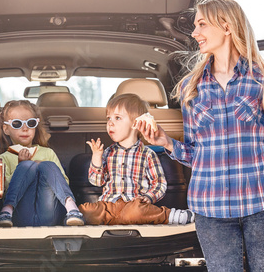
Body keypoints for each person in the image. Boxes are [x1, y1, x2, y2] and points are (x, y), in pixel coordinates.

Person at [138, 0, 264, 272]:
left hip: (262, 204)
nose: (194, 32)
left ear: (226, 25)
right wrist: (165, 142)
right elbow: (196, 154)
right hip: (210, 209)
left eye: (201, 24)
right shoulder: (191, 87)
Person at [79, 93, 194, 225]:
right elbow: (97, 182)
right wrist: (96, 158)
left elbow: (159, 183)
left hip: (133, 204)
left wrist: (148, 197)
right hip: (108, 205)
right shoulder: (107, 153)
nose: (110, 123)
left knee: (137, 212)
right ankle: (76, 215)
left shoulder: (147, 154)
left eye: (117, 118)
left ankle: (172, 215)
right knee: (86, 210)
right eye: (108, 118)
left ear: (136, 124)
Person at [0, 100, 84, 227]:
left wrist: (43, 167)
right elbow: (2, 190)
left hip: (49, 213)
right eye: (17, 124)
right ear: (6, 129)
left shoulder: (48, 152)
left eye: (30, 123)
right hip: (18, 217)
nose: (25, 128)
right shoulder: (4, 158)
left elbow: (64, 182)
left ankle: (72, 208)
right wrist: (21, 167)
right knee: (26, 166)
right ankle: (6, 211)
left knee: (48, 165)